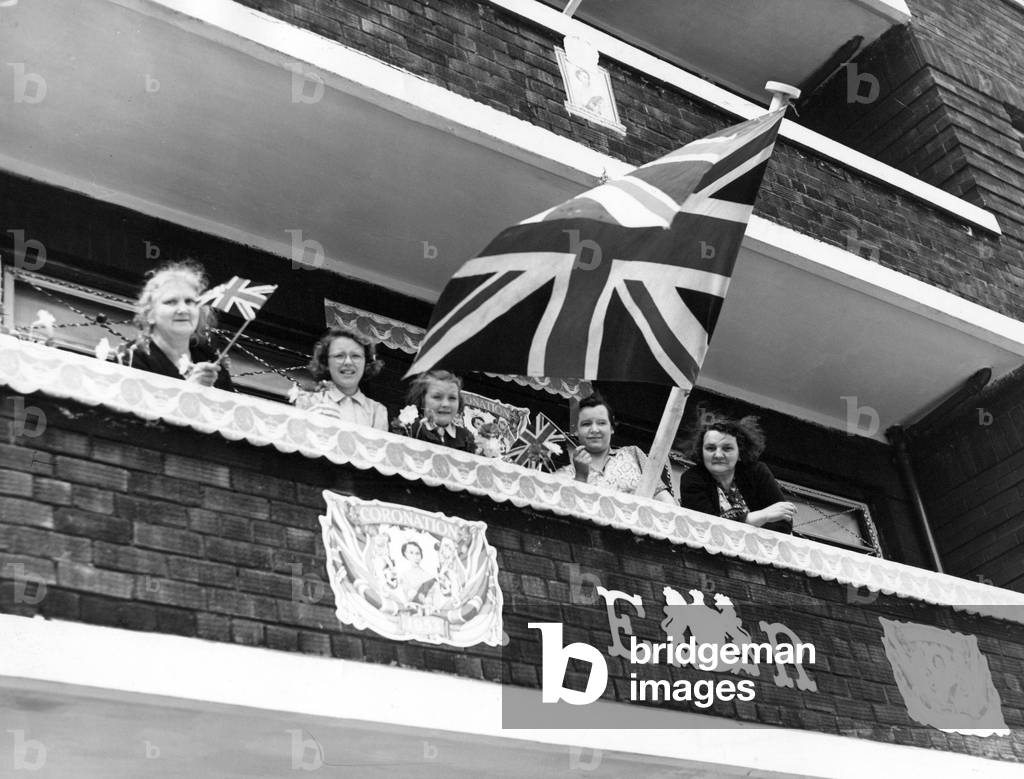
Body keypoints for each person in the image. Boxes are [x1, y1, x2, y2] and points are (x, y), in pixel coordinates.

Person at [678, 414, 796, 533]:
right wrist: (758, 517)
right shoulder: (692, 479)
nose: (718, 455)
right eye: (710, 448)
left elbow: (783, 523)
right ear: (701, 452)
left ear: (740, 452)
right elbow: (703, 526)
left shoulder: (757, 472)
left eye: (727, 448)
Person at [128, 260, 233, 391]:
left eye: (189, 301)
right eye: (171, 302)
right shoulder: (131, 358)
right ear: (150, 314)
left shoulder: (211, 361)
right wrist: (189, 389)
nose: (183, 310)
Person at [558, 393, 676, 504]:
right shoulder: (565, 474)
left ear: (612, 428)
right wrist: (580, 476)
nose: (594, 429)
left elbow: (663, 498)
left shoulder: (633, 453)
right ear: (577, 431)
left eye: (601, 423)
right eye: (586, 424)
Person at [292, 327, 388, 430]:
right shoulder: (308, 401)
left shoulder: (377, 411)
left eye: (355, 356)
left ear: (366, 363)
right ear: (326, 362)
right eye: (339, 356)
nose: (348, 362)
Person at [396, 370, 476, 453]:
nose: (446, 404)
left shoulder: (466, 437)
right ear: (422, 400)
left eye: (452, 398)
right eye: (437, 397)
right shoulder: (409, 430)